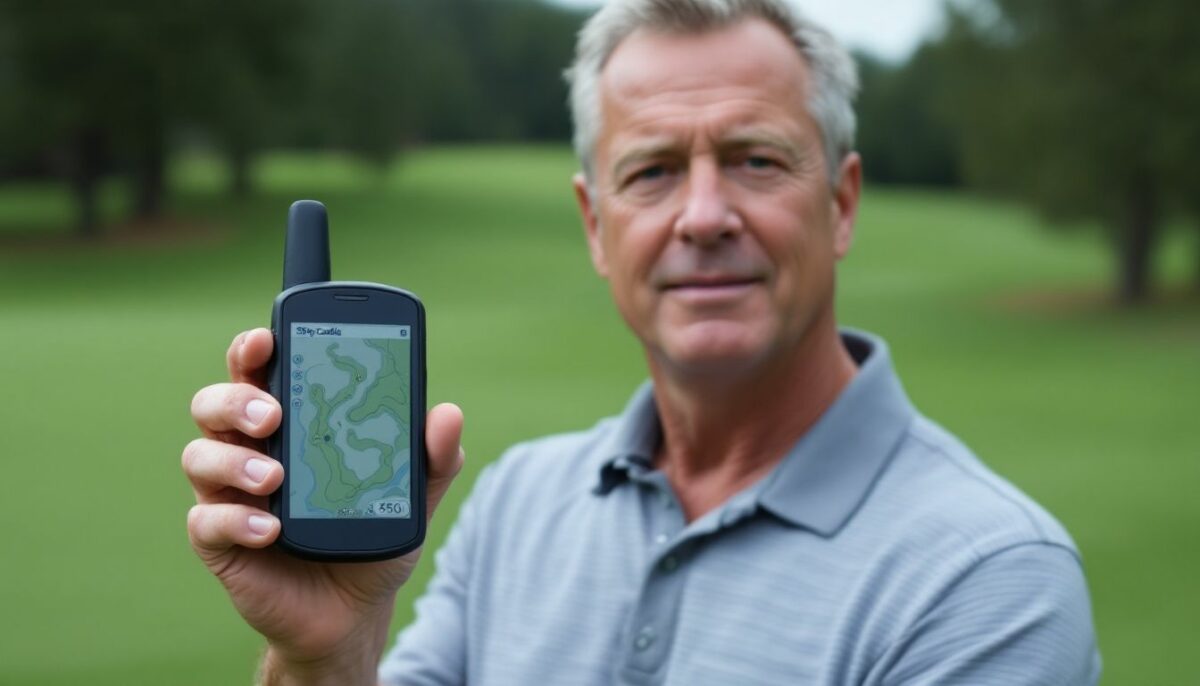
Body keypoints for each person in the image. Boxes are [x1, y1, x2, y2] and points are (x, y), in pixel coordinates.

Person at [182, 1, 1102, 684]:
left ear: (843, 203)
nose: (703, 216)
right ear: (596, 225)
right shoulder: (514, 506)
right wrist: (326, 657)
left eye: (755, 160)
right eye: (653, 171)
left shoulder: (989, 578)